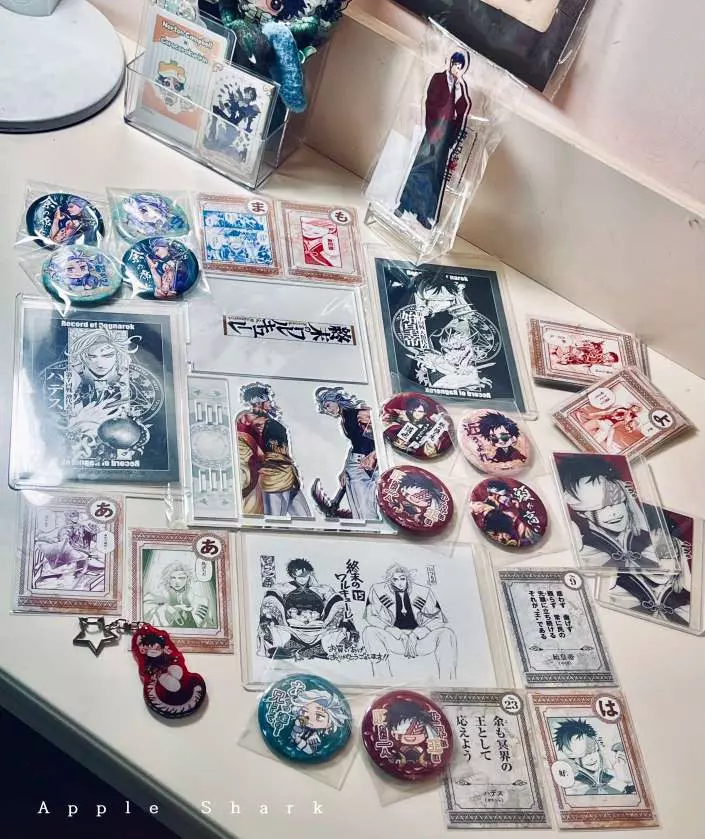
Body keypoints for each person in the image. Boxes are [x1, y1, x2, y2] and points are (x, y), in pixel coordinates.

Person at [395, 51, 470, 230]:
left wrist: (459, 88)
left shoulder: (459, 86)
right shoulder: (438, 78)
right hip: (434, 128)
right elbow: (430, 101)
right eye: (455, 65)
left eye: (460, 67)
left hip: (446, 133)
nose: (457, 69)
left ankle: (424, 213)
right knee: (420, 165)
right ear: (450, 63)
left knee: (436, 173)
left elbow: (463, 108)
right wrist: (433, 123)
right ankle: (404, 204)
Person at [556, 454, 660, 570]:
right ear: (581, 513)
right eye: (600, 508)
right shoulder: (587, 547)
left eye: (617, 502)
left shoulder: (648, 536)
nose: (613, 513)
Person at [363, 563, 457, 679]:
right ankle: (382, 679)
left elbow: (439, 619)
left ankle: (448, 680)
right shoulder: (377, 590)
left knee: (446, 633)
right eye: (395, 579)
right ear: (390, 580)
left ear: (408, 578)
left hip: (420, 640)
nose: (399, 582)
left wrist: (416, 634)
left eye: (402, 578)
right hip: (395, 639)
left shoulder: (424, 591)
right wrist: (396, 632)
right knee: (369, 632)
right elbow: (370, 616)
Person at [236, 382, 311, 517]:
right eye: (267, 400)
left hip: (289, 473)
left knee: (305, 518)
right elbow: (244, 445)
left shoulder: (270, 421)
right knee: (275, 521)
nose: (271, 402)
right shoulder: (250, 421)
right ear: (258, 402)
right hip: (272, 475)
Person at [257, 558, 356, 660]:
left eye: (305, 575)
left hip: (319, 630)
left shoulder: (322, 589)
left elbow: (338, 603)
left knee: (338, 634)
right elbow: (270, 599)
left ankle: (302, 651)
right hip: (290, 629)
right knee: (274, 632)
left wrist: (346, 622)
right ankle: (309, 651)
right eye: (298, 576)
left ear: (310, 573)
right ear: (292, 574)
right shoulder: (284, 587)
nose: (302, 579)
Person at [314, 387, 378, 520]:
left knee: (367, 509)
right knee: (359, 510)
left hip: (369, 462)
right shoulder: (344, 420)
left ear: (337, 400)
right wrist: (345, 469)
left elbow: (378, 435)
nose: (328, 410)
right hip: (356, 464)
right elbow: (354, 445)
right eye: (325, 408)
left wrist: (374, 454)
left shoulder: (358, 414)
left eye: (328, 405)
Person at [553, 719, 635, 796]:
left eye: (592, 751)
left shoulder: (608, 775)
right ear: (570, 754)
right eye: (583, 755)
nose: (591, 758)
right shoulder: (574, 784)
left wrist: (628, 783)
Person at [143, 559, 215, 629]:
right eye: (173, 578)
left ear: (187, 579)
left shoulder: (201, 601)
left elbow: (209, 626)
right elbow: (147, 616)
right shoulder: (156, 596)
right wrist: (169, 610)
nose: (177, 581)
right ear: (168, 579)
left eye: (181, 578)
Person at [382, 396, 448, 457]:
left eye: (420, 411)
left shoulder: (432, 418)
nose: (416, 413)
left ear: (425, 413)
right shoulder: (402, 427)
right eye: (414, 411)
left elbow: (445, 422)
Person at [290, 689, 349, 755]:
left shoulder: (318, 738)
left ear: (329, 723)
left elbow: (311, 751)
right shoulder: (299, 725)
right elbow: (294, 735)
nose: (310, 719)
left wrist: (301, 743)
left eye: (319, 717)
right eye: (305, 712)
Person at [387, 699, 442, 768]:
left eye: (417, 734)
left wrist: (423, 761)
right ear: (393, 733)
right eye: (400, 735)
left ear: (426, 734)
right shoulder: (398, 749)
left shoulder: (422, 749)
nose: (410, 737)